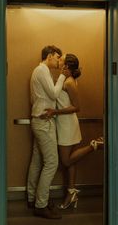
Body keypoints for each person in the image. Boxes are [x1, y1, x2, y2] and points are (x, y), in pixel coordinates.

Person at [44, 53, 104, 209]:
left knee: (66, 161)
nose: (59, 60)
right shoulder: (65, 80)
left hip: (67, 125)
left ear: (67, 66)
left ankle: (94, 145)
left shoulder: (69, 82)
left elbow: (77, 107)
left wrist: (54, 112)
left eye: (62, 59)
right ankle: (71, 193)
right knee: (71, 161)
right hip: (64, 124)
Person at [27, 45, 70, 219]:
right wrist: (62, 76)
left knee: (37, 160)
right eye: (57, 57)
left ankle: (32, 197)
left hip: (39, 120)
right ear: (50, 55)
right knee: (52, 162)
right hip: (43, 122)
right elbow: (53, 95)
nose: (59, 61)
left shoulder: (39, 71)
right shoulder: (42, 70)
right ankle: (41, 204)